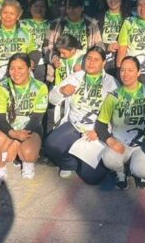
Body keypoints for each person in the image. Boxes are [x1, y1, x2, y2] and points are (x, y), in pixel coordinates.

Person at [44, 46, 119, 182]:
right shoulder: (76, 77)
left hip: (96, 131)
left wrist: (102, 132)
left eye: (96, 59)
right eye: (88, 58)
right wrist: (61, 91)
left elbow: (117, 115)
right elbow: (51, 99)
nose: (91, 62)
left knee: (91, 177)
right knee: (51, 143)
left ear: (103, 63)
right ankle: (69, 163)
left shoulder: (111, 83)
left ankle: (85, 158)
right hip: (74, 126)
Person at [95, 56, 145, 190]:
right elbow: (100, 124)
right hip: (120, 144)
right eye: (122, 70)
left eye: (130, 70)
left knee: (142, 170)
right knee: (108, 158)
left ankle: (137, 173)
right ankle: (120, 173)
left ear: (138, 72)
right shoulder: (113, 96)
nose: (126, 74)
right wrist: (110, 140)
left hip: (142, 145)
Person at [0, 53, 49, 187]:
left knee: (28, 153)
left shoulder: (40, 87)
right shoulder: (1, 87)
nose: (16, 73)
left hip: (30, 128)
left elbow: (36, 118)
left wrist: (16, 143)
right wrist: (13, 134)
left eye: (20, 68)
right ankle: (1, 169)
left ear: (29, 69)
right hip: (9, 128)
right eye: (12, 68)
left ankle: (26, 163)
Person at [44, 0, 103, 85]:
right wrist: (53, 58)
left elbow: (99, 47)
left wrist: (86, 64)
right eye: (69, 8)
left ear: (82, 8)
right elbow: (47, 46)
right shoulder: (56, 24)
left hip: (83, 69)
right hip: (61, 70)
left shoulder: (91, 24)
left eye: (75, 7)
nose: (72, 11)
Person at [0, 0, 39, 84]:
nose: (8, 16)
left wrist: (32, 60)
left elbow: (33, 50)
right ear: (0, 13)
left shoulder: (25, 32)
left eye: (12, 14)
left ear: (18, 16)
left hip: (19, 76)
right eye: (5, 12)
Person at [98, 0, 132, 75]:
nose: (112, 0)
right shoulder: (98, 17)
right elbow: (92, 42)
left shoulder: (130, 18)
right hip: (102, 62)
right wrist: (106, 46)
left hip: (123, 62)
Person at [20, 0, 51, 82]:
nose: (39, 9)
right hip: (25, 62)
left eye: (42, 6)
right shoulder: (21, 24)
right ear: (30, 8)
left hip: (44, 64)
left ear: (46, 9)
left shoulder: (52, 25)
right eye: (36, 6)